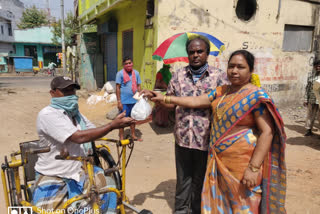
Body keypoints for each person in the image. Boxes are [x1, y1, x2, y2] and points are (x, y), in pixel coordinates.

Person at [145, 50, 287, 213]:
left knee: (243, 206)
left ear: (250, 70)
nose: (234, 71)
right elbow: (195, 100)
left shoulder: (256, 96)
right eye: (231, 66)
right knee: (221, 206)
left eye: (240, 67)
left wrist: (253, 168)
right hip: (219, 161)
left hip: (242, 165)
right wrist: (165, 98)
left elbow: (267, 132)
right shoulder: (222, 91)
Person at [147, 36, 228, 213]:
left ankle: (197, 210)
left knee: (200, 181)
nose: (195, 55)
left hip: (206, 140)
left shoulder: (219, 77)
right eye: (191, 52)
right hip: (182, 138)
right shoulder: (179, 75)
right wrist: (159, 101)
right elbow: (171, 103)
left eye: (200, 51)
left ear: (207, 53)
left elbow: (221, 104)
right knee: (183, 180)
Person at [33, 76, 133, 213]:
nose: (71, 95)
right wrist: (112, 125)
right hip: (54, 173)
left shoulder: (76, 115)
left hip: (79, 169)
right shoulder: (47, 115)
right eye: (65, 91)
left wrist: (115, 124)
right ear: (53, 93)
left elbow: (91, 131)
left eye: (72, 91)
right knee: (48, 210)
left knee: (109, 189)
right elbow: (78, 137)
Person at [116, 57, 142, 141]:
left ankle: (133, 135)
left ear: (132, 63)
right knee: (122, 120)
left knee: (133, 119)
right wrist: (119, 101)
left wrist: (139, 98)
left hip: (134, 101)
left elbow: (138, 86)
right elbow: (117, 88)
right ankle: (121, 137)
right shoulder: (120, 74)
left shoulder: (136, 73)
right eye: (126, 63)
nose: (128, 65)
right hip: (124, 102)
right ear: (123, 65)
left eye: (129, 63)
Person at [304, 59, 320, 136]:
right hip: (312, 99)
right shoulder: (310, 76)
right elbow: (307, 88)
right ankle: (308, 130)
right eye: (316, 65)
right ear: (314, 67)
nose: (318, 67)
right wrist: (305, 99)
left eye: (319, 66)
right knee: (310, 115)